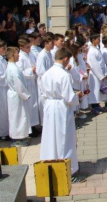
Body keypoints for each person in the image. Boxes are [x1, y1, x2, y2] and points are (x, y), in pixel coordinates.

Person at [39, 47, 85, 183]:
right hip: (61, 108)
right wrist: (78, 96)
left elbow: (42, 93)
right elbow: (69, 97)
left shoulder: (47, 73)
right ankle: (68, 171)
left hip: (49, 106)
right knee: (65, 138)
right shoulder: (64, 75)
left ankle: (50, 164)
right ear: (65, 59)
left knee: (50, 136)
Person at [6, 47, 32, 146]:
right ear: (12, 55)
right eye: (17, 54)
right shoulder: (13, 69)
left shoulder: (13, 67)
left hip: (16, 95)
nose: (19, 55)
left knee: (19, 115)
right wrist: (26, 95)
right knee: (18, 116)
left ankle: (21, 136)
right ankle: (18, 138)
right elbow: (19, 85)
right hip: (17, 95)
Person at [16, 38, 40, 131]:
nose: (29, 49)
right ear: (21, 47)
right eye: (27, 47)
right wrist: (31, 70)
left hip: (32, 81)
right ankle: (30, 127)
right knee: (29, 106)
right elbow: (20, 72)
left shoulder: (29, 54)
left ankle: (34, 125)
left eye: (30, 46)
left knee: (34, 105)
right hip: (27, 83)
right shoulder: (21, 57)